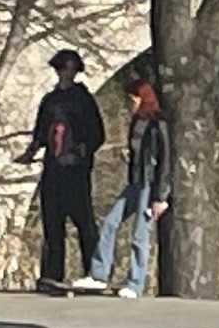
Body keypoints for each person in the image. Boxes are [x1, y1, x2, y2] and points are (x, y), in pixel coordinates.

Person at [29, 50, 106, 293]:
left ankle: (93, 271)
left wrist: (80, 152)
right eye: (63, 69)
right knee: (52, 221)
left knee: (83, 220)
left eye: (71, 69)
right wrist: (32, 151)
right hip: (53, 167)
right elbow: (41, 132)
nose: (66, 74)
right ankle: (52, 274)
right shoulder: (50, 101)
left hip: (76, 169)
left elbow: (96, 134)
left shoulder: (84, 100)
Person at [99, 71, 171, 300]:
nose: (128, 104)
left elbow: (164, 160)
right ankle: (99, 273)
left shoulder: (157, 124)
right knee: (110, 221)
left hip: (150, 185)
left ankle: (135, 283)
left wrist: (160, 197)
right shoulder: (136, 122)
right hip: (135, 181)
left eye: (132, 100)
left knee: (140, 235)